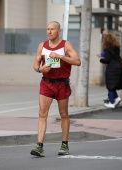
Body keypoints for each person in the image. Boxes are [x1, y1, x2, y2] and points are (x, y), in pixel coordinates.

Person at [30, 21, 81, 157]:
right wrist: (40, 69)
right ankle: (39, 146)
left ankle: (64, 144)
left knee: (63, 114)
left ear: (59, 31)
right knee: (42, 113)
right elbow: (35, 65)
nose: (49, 31)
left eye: (52, 29)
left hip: (61, 84)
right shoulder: (42, 46)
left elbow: (77, 61)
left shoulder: (66, 45)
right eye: (47, 29)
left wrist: (60, 57)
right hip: (46, 83)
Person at [99, 34, 122, 110]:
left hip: (114, 69)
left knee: (111, 86)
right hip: (121, 68)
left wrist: (101, 60)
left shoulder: (107, 49)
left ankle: (112, 101)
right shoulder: (116, 48)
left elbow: (107, 60)